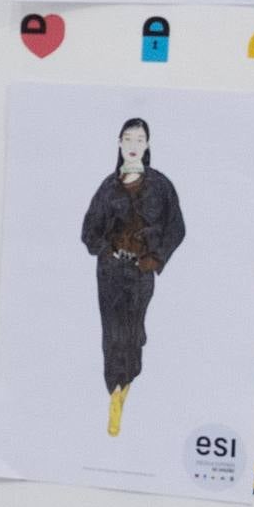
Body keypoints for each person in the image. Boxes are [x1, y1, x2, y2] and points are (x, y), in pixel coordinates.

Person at [80, 114, 186, 437]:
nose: (133, 146)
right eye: (128, 139)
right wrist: (107, 252)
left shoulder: (161, 185)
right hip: (110, 273)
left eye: (139, 140)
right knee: (111, 334)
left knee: (133, 332)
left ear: (148, 145)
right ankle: (114, 396)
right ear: (119, 143)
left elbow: (176, 228)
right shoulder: (107, 187)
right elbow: (88, 231)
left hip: (141, 274)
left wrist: (155, 258)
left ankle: (126, 383)